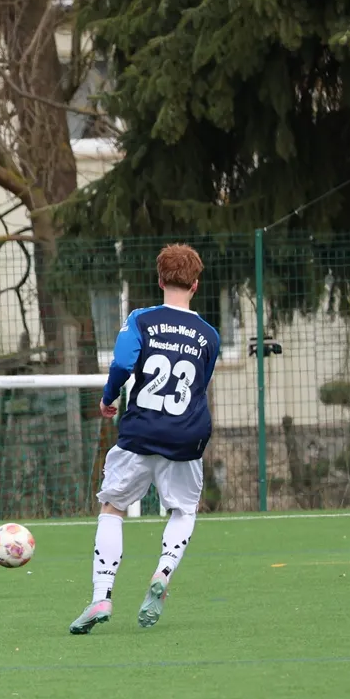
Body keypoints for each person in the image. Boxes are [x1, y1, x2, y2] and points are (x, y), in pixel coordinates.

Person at [69, 244, 220, 634]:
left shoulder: (141, 320)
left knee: (113, 508)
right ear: (196, 284)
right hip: (186, 436)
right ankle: (163, 572)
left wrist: (109, 396)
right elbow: (201, 384)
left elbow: (122, 362)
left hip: (141, 431)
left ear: (159, 280)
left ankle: (102, 596)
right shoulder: (209, 335)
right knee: (183, 511)